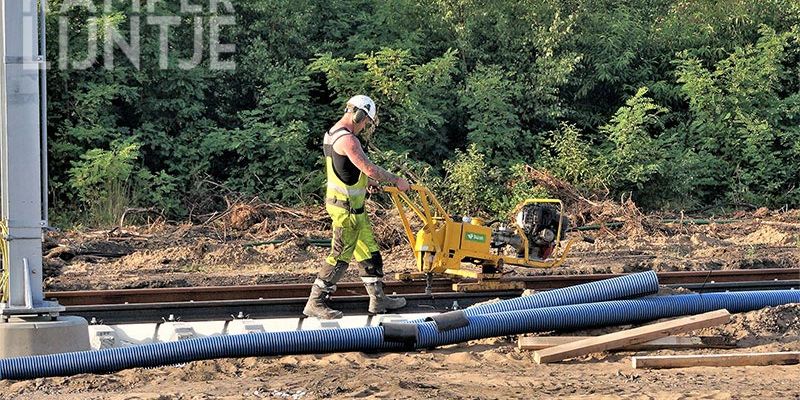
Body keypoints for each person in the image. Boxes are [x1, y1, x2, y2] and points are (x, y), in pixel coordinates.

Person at [303, 95, 411, 320]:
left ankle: (378, 299)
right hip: (346, 211)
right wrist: (395, 180)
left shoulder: (332, 133)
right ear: (359, 115)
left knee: (370, 251)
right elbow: (369, 168)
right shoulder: (349, 140)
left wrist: (366, 183)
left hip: (354, 208)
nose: (365, 127)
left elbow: (346, 170)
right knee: (340, 255)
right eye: (366, 122)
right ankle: (315, 302)